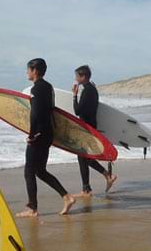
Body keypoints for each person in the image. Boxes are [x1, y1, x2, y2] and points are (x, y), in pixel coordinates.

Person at [16, 58, 76, 218]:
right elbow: (51, 110)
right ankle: (67, 197)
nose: (27, 72)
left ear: (34, 71)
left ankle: (32, 208)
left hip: (39, 135)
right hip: (48, 133)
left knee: (29, 170)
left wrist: (31, 135)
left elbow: (35, 114)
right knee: (40, 171)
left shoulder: (36, 89)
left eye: (28, 69)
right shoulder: (49, 87)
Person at [71, 65, 117, 197]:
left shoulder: (87, 91)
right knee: (84, 158)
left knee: (83, 157)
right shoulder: (91, 89)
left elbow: (78, 111)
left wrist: (74, 96)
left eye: (77, 76)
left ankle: (88, 189)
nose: (75, 78)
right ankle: (106, 176)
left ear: (83, 76)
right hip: (90, 127)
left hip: (87, 128)